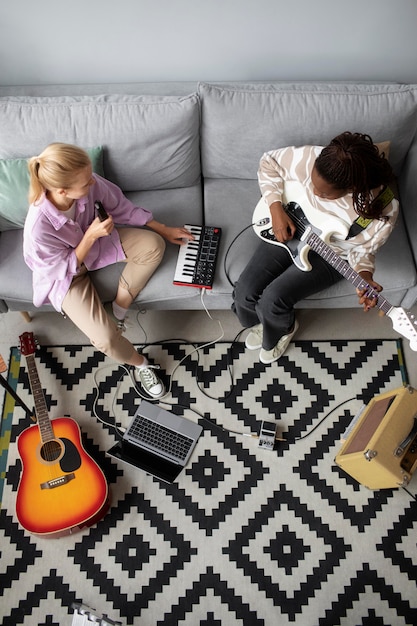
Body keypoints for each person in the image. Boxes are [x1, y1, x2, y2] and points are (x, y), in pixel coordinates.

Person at [23, 143, 194, 398]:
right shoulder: (38, 227)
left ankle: (118, 311)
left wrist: (163, 229)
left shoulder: (89, 181)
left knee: (153, 246)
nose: (92, 183)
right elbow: (58, 268)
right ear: (62, 191)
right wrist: (89, 238)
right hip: (66, 276)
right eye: (85, 183)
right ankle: (142, 365)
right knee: (105, 339)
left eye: (90, 176)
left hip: (98, 245)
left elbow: (121, 207)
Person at [232, 131, 399, 364]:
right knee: (244, 292)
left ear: (350, 188)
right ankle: (261, 323)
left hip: (331, 255)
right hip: (292, 225)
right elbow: (268, 162)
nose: (313, 191)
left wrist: (364, 275)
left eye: (323, 193)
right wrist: (276, 208)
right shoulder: (314, 157)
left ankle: (282, 329)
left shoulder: (381, 209)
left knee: (273, 299)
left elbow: (362, 252)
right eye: (311, 181)